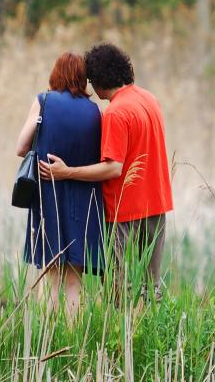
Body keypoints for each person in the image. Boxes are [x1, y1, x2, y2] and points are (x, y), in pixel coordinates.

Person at [39, 43, 173, 301]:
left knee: (118, 292)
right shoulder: (150, 99)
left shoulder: (115, 112)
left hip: (124, 212)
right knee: (149, 289)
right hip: (157, 206)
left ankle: (121, 328)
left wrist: (67, 172)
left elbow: (113, 167)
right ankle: (147, 325)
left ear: (99, 80)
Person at [16, 52, 104, 317]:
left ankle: (47, 334)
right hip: (84, 200)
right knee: (74, 278)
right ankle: (73, 336)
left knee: (50, 272)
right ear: (83, 78)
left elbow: (21, 148)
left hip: (48, 195)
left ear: (56, 74)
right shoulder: (95, 111)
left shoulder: (44, 101)